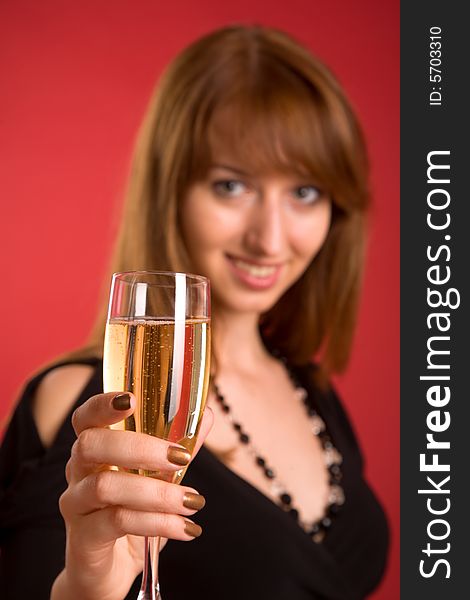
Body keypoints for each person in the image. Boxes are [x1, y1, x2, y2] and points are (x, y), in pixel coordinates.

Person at [0, 25, 389, 600]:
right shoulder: (83, 406)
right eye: (232, 185)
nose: (270, 238)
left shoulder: (313, 393)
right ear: (170, 191)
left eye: (305, 192)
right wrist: (88, 587)